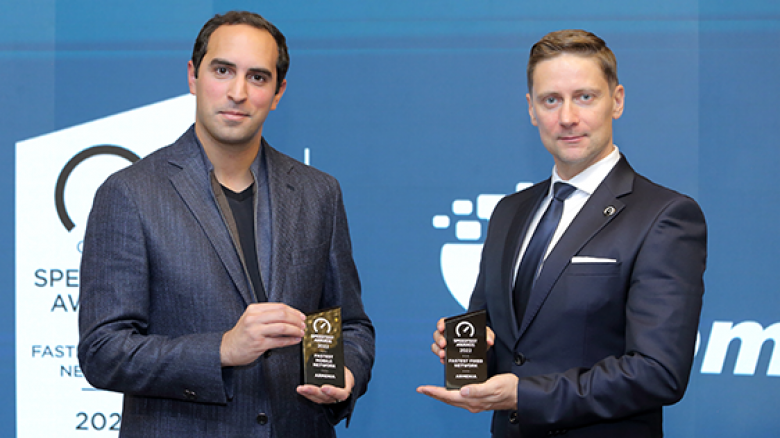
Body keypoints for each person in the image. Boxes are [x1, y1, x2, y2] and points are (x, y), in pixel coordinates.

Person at [78, 11, 375, 438]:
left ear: (278, 92)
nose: (238, 92)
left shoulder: (318, 193)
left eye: (257, 77)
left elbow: (351, 326)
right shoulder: (130, 193)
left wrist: (345, 374)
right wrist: (222, 349)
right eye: (223, 71)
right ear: (193, 76)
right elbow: (103, 351)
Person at [418, 29, 706, 437]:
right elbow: (508, 348)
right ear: (531, 109)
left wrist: (525, 395)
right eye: (551, 100)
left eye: (584, 97)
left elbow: (658, 372)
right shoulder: (509, 212)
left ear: (617, 100)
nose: (567, 117)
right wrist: (469, 351)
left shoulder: (664, 215)